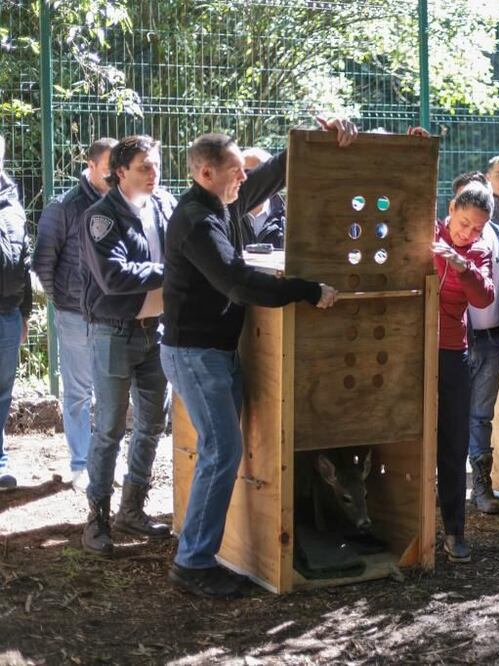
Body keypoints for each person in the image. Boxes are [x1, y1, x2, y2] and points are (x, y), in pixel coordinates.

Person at [161, 118, 354, 598]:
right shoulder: (197, 220)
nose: (244, 178)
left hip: (216, 352)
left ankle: (207, 553)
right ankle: (192, 563)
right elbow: (237, 283)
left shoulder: (222, 202)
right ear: (206, 173)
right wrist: (307, 291)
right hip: (195, 354)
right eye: (234, 171)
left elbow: (270, 175)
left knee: (224, 452)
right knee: (221, 452)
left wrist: (316, 136)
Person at [79, 135, 176, 554]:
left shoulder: (165, 206)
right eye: (144, 167)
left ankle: (132, 509)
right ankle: (96, 520)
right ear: (120, 172)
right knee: (109, 430)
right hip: (114, 332)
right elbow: (114, 277)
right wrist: (175, 272)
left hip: (157, 331)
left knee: (153, 424)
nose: (153, 174)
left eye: (155, 165)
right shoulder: (100, 217)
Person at [34, 137, 117, 492]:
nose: (115, 176)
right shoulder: (64, 206)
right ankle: (80, 464)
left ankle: (105, 463)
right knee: (79, 393)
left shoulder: (123, 203)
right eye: (109, 170)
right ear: (91, 165)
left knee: (111, 391)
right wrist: (65, 301)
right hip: (75, 315)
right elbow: (43, 262)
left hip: (115, 315)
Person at [450, 172, 499, 516]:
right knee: (446, 414)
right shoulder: (444, 237)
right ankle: (445, 485)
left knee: (481, 416)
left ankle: (481, 486)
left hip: (493, 338)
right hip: (454, 338)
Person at [433, 181, 495, 560]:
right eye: (464, 223)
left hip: (453, 350)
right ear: (452, 208)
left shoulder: (480, 251)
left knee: (454, 442)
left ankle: (454, 530)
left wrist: (464, 267)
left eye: (478, 228)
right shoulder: (428, 229)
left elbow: (484, 296)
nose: (469, 233)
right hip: (409, 345)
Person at [0, 135, 32, 491]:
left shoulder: (11, 201)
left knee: (2, 393)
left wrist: (25, 312)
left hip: (8, 315)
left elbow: (23, 259)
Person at [238, 147, 286, 248]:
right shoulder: (226, 216)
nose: (249, 179)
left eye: (259, 174)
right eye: (245, 172)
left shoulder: (287, 217)